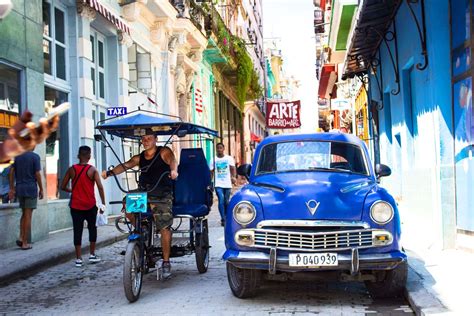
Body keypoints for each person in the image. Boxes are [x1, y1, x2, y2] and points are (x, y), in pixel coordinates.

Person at [101, 134, 178, 278]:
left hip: (161, 194)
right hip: (144, 192)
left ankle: (166, 261)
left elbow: (172, 160)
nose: (146, 141)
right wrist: (109, 173)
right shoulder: (139, 157)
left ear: (155, 139)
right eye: (143, 139)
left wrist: (174, 170)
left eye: (149, 138)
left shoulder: (164, 151)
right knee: (127, 202)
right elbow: (126, 165)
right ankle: (140, 228)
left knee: (164, 226)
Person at [60, 146, 106, 267]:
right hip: (90, 205)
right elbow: (100, 187)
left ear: (78, 156)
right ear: (89, 156)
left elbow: (62, 186)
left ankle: (79, 258)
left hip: (75, 205)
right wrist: (103, 203)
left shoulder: (71, 170)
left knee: (77, 230)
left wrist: (73, 190)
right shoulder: (93, 170)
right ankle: (92, 254)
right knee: (92, 229)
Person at [9, 150, 44, 250]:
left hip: (20, 187)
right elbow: (37, 173)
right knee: (28, 215)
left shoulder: (17, 156)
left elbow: (11, 171)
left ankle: (21, 237)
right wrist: (41, 189)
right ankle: (25, 242)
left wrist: (11, 188)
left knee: (24, 214)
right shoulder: (35, 157)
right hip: (30, 188)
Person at [210, 143, 236, 226]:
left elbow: (232, 168)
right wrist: (210, 182)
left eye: (221, 148)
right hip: (218, 184)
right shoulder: (213, 159)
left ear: (223, 149)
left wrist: (233, 177)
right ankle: (223, 218)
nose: (219, 149)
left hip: (227, 183)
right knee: (221, 200)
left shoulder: (229, 158)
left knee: (226, 201)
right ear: (216, 149)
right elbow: (211, 172)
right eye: (218, 148)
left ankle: (227, 216)